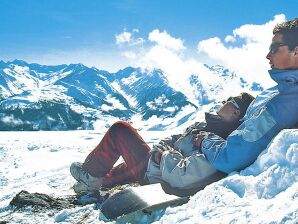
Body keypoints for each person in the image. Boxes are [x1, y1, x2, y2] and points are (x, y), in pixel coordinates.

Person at [70, 92, 254, 194]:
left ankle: (90, 177)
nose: (224, 101)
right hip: (154, 164)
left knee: (121, 130)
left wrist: (164, 154)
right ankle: (98, 180)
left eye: (229, 100)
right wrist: (160, 149)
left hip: (156, 174)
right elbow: (174, 138)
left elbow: (182, 175)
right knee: (116, 172)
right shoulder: (204, 126)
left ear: (236, 113)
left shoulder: (217, 144)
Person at [194, 18, 298, 174]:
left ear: (296, 51)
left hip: (217, 156)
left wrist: (206, 142)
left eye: (274, 48)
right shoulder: (281, 90)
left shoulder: (283, 103)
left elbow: (230, 158)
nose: (268, 55)